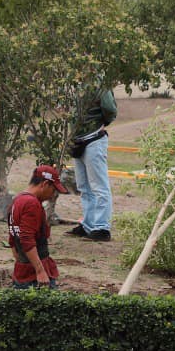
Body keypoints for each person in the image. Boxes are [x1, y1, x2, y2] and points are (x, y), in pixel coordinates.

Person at [66, 85, 117, 242]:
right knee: (84, 186)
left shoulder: (100, 82)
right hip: (78, 140)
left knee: (99, 186)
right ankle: (88, 225)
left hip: (93, 138)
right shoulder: (74, 80)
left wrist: (99, 123)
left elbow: (110, 109)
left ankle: (101, 227)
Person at [8, 165, 67, 288]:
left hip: (22, 270)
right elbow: (26, 238)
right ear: (45, 184)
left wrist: (21, 261)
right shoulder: (32, 203)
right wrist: (40, 271)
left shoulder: (17, 200)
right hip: (34, 276)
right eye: (53, 190)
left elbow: (12, 238)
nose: (52, 195)